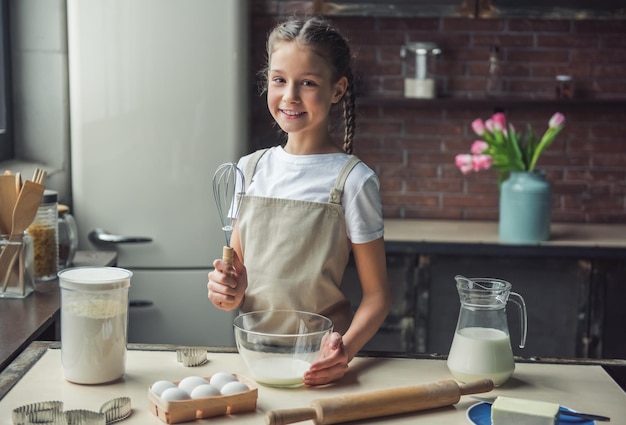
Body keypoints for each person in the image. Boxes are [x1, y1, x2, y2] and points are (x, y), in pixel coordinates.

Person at [207, 15, 390, 386]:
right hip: (253, 358)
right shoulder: (250, 168)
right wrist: (226, 291)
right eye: (279, 80)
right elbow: (239, 283)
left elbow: (378, 297)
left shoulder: (353, 181)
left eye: (307, 83)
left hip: (317, 364)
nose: (289, 96)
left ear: (337, 90)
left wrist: (345, 352)